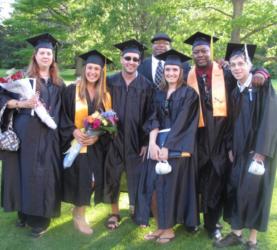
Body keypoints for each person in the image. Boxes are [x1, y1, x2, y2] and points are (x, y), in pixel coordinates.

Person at [183, 31, 270, 240]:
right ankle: (191, 220)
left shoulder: (225, 71)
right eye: (196, 51)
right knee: (194, 180)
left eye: (204, 50)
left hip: (221, 136)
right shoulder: (188, 73)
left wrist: (262, 72)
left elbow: (246, 72)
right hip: (197, 136)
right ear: (192, 54)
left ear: (211, 50)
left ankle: (213, 224)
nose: (201, 54)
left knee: (216, 181)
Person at [0, 33, 64, 237]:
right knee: (24, 174)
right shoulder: (22, 79)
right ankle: (24, 213)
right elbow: (3, 99)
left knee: (43, 177)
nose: (46, 56)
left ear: (53, 58)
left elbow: (64, 111)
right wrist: (23, 104)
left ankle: (40, 220)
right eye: (42, 53)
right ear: (35, 56)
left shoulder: (59, 84)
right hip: (25, 134)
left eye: (49, 53)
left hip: (48, 137)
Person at [214, 43, 277, 250]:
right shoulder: (235, 91)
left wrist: (260, 152)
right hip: (239, 151)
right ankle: (236, 233)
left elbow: (270, 120)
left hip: (258, 152)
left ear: (250, 65)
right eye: (233, 65)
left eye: (241, 63)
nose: (237, 68)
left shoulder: (262, 87)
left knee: (256, 193)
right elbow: (232, 123)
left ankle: (252, 240)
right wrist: (231, 147)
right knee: (238, 191)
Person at [135, 49, 200, 243]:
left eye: (175, 70)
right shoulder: (159, 93)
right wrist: (153, 143)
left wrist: (168, 147)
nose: (171, 73)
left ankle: (169, 228)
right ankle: (160, 226)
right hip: (158, 144)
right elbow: (153, 118)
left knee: (169, 187)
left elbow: (183, 122)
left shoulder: (189, 94)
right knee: (153, 185)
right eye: (168, 70)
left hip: (177, 146)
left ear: (181, 71)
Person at [60, 50, 112, 235]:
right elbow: (62, 116)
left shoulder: (104, 95)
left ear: (101, 72)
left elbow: (108, 122)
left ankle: (78, 211)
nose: (92, 72)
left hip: (95, 146)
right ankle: (79, 215)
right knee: (82, 180)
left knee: (92, 180)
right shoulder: (70, 90)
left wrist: (98, 135)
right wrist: (74, 131)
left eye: (97, 69)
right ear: (84, 69)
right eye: (90, 68)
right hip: (76, 144)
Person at [103, 39, 153, 229]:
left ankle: (135, 210)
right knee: (112, 174)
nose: (131, 62)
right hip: (113, 138)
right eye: (128, 58)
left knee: (136, 176)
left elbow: (151, 115)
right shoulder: (110, 82)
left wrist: (146, 141)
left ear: (139, 62)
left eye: (135, 59)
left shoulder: (146, 86)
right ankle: (114, 213)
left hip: (136, 139)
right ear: (121, 59)